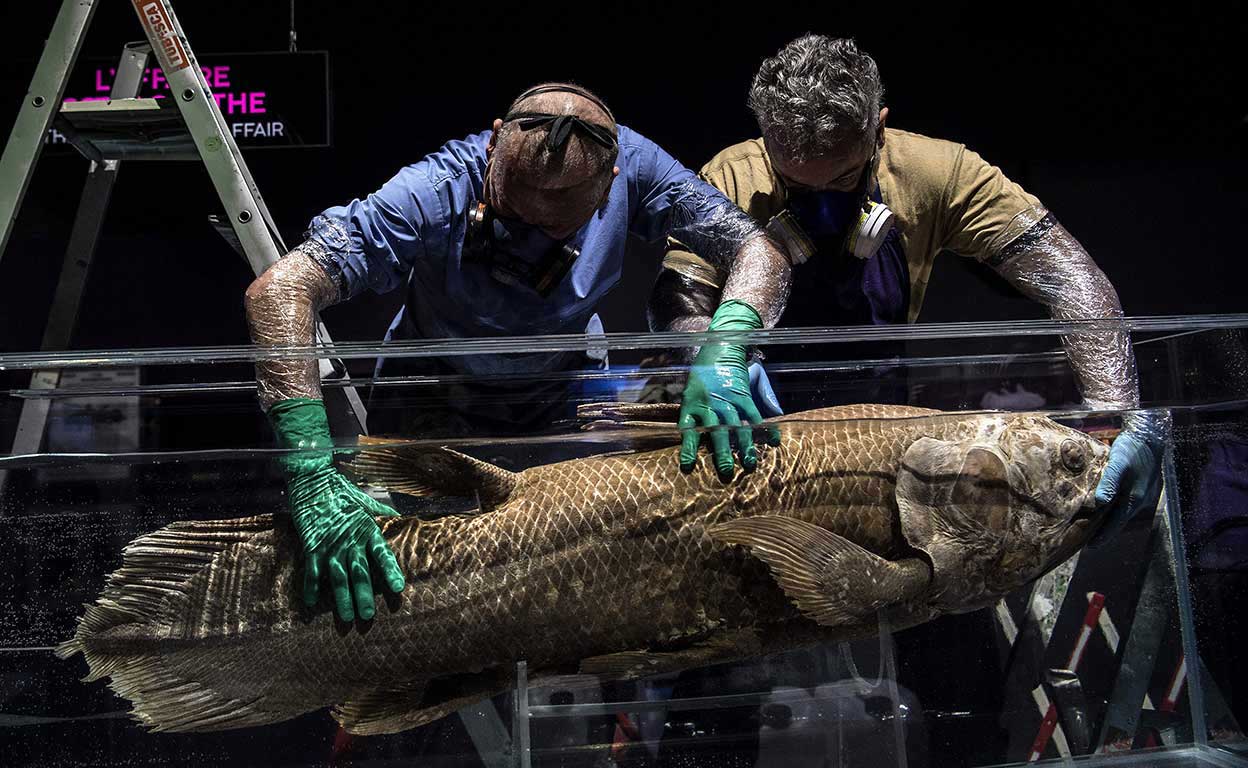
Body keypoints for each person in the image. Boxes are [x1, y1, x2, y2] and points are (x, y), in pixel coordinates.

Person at [244, 83, 792, 623]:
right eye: (510, 208)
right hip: (432, 391)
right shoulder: (434, 190)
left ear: (611, 182)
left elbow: (759, 251)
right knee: (412, 585)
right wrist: (308, 467)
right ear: (494, 141)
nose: (528, 233)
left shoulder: (640, 167)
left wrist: (728, 347)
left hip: (562, 392)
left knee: (559, 578)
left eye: (554, 224)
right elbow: (280, 290)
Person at [651, 35, 1163, 545]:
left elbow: (1071, 279)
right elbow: (678, 295)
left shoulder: (938, 173)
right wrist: (715, 357)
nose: (823, 207)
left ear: (878, 126)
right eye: (799, 188)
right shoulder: (731, 177)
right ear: (767, 138)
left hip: (879, 421)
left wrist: (1117, 417)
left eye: (844, 178)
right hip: (747, 423)